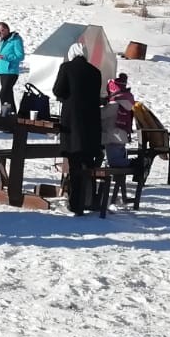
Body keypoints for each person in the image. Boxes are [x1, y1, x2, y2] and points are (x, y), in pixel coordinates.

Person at [53, 43, 104, 214]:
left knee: (74, 165)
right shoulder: (95, 72)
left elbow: (58, 90)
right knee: (88, 165)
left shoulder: (66, 67)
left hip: (72, 124)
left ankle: (76, 204)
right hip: (91, 124)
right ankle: (88, 200)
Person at [0, 22, 25, 114]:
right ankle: (12, 114)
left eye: (2, 31)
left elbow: (20, 56)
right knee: (8, 94)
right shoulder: (4, 40)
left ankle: (5, 113)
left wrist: (5, 56)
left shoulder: (16, 39)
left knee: (3, 94)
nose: (0, 34)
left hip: (11, 71)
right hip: (2, 71)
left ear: (7, 29)